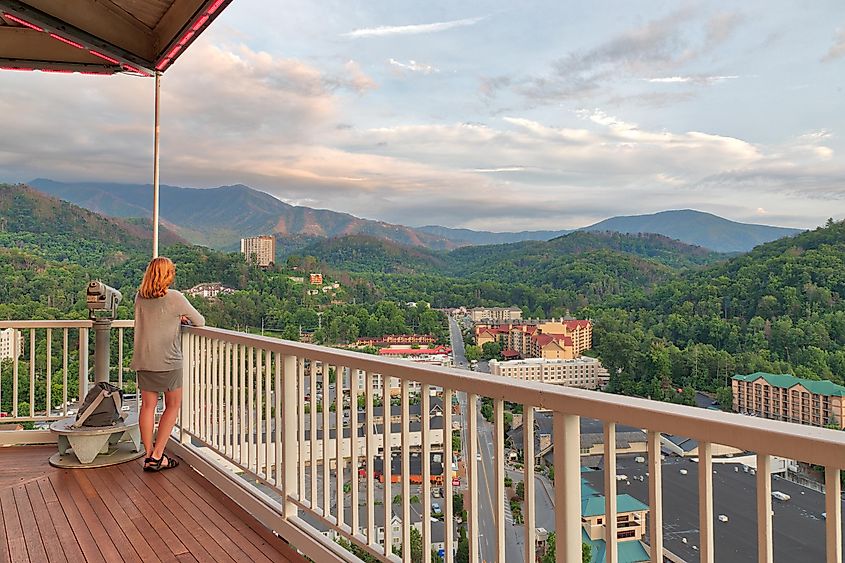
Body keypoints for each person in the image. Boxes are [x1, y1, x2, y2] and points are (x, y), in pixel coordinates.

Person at [131, 256, 205, 471]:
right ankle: (158, 455)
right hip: (168, 360)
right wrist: (180, 318)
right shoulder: (175, 298)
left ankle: (147, 454)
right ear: (166, 275)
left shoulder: (140, 297)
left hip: (144, 359)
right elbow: (200, 321)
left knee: (147, 407)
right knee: (172, 405)